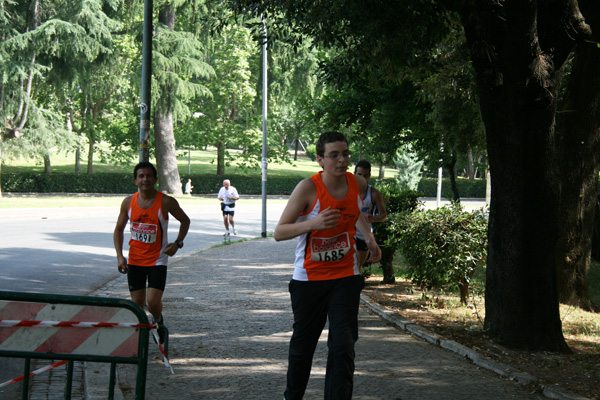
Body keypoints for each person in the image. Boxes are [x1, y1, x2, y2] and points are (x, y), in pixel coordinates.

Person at [274, 131, 381, 400]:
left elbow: (356, 214)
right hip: (309, 280)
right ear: (321, 160)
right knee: (303, 346)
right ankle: (293, 396)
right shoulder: (308, 188)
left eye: (345, 154)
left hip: (346, 275)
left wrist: (369, 237)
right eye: (334, 155)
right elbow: (280, 231)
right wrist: (314, 223)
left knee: (343, 346)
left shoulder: (356, 183)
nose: (342, 160)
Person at [113, 161, 190, 343]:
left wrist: (177, 243)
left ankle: (157, 320)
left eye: (148, 176)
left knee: (153, 302)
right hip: (135, 261)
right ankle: (140, 340)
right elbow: (118, 230)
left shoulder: (165, 201)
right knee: (137, 306)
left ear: (155, 179)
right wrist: (119, 256)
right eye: (141, 176)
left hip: (157, 261)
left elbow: (185, 221)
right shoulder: (128, 202)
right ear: (135, 180)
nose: (145, 179)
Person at [354, 160, 387, 272]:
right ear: (354, 174)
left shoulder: (374, 193)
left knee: (357, 266)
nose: (362, 178)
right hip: (347, 232)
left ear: (369, 176)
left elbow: (383, 215)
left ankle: (356, 288)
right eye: (359, 174)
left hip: (364, 235)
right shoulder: (346, 190)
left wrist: (373, 218)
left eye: (365, 175)